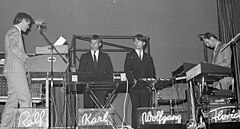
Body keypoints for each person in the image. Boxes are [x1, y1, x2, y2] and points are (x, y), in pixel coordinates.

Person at [1, 12, 33, 128]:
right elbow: (13, 48)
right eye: (28, 23)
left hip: (12, 69)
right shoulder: (14, 31)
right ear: (22, 20)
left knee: (12, 101)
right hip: (16, 69)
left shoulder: (12, 32)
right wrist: (26, 58)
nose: (28, 27)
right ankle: (26, 126)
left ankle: (5, 126)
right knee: (26, 98)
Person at [124, 34, 156, 129]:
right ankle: (135, 127)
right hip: (134, 87)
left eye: (138, 41)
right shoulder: (129, 56)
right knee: (136, 108)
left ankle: (145, 126)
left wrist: (150, 83)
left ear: (143, 43)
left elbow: (152, 73)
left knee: (145, 108)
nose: (136, 43)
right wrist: (132, 80)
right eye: (135, 41)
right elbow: (127, 70)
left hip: (145, 87)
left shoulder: (148, 58)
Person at [78, 34, 114, 108]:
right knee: (88, 110)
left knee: (101, 110)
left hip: (101, 88)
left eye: (95, 43)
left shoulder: (105, 57)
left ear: (100, 44)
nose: (93, 45)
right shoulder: (84, 57)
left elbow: (110, 72)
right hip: (88, 88)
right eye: (92, 43)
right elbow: (81, 72)